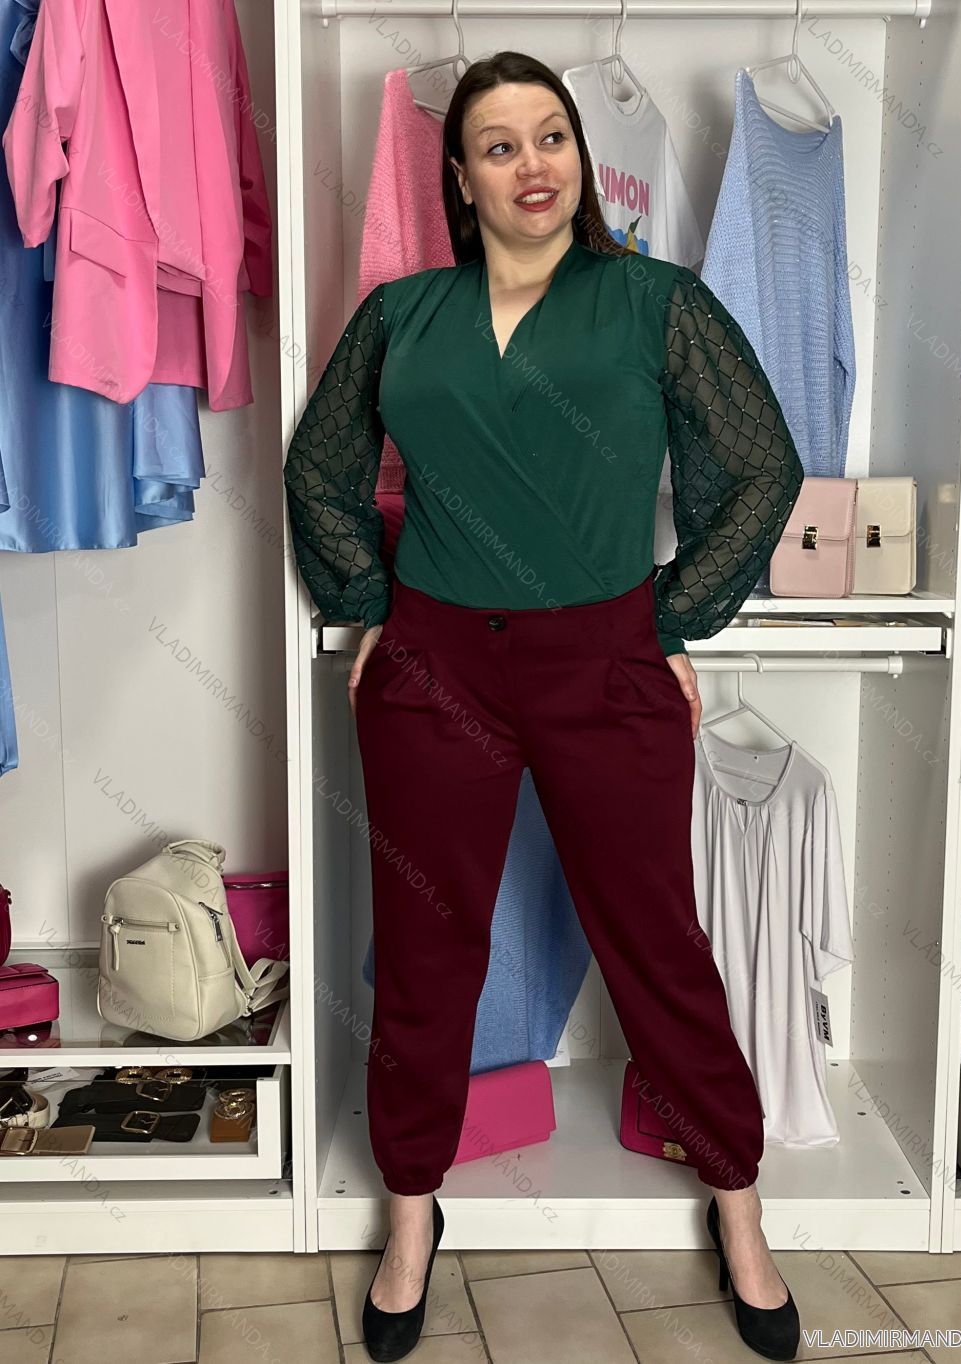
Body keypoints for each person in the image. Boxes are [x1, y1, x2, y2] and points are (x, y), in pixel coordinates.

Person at [283, 50, 805, 1364]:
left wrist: (671, 616)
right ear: (459, 179)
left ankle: (740, 1205)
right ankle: (412, 1216)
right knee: (426, 952)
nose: (535, 165)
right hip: (434, 671)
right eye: (501, 145)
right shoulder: (402, 314)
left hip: (604, 665)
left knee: (657, 943)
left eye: (553, 136)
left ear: (582, 158)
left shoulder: (654, 304)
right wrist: (370, 600)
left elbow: (762, 464)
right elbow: (318, 469)